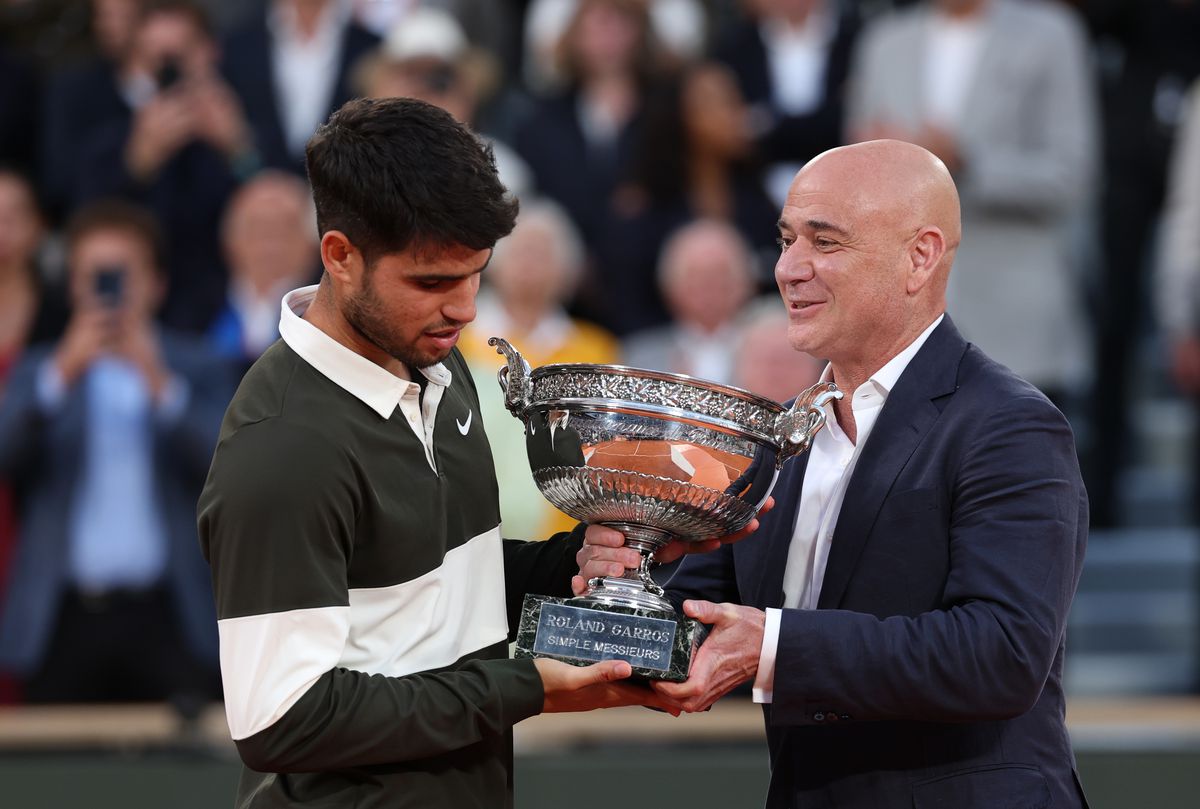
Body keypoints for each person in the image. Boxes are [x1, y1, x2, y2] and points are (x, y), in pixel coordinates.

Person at [196, 97, 694, 809]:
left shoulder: (436, 356)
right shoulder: (281, 448)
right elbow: (282, 717)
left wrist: (580, 560)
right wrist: (526, 684)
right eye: (432, 281)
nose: (463, 308)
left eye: (476, 274)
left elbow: (439, 584)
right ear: (340, 256)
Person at [579, 140, 1091, 807]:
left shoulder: (1011, 425)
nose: (790, 268)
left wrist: (775, 646)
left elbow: (1001, 653)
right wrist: (620, 592)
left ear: (921, 256)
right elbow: (704, 613)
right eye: (787, 238)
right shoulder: (776, 436)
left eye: (825, 242)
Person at [0, 199, 231, 703]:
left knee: (184, 774)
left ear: (156, 284)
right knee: (54, 776)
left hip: (170, 613)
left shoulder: (195, 363)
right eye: (95, 275)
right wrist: (59, 376)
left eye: (121, 274)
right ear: (74, 285)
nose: (109, 291)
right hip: (63, 615)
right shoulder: (41, 368)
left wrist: (159, 384)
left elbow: (232, 464)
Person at [847, 0, 1097, 408]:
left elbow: (1071, 175)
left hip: (1014, 319)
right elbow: (853, 170)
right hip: (901, 326)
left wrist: (965, 163)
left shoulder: (1050, 34)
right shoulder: (885, 42)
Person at [458, 197, 619, 539]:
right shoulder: (457, 338)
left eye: (544, 254)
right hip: (465, 519)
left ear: (568, 269)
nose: (530, 264)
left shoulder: (594, 349)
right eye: (521, 251)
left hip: (562, 532)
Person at [209, 170, 320, 376]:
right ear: (229, 241)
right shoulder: (197, 309)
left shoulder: (329, 314)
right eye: (257, 229)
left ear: (313, 244)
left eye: (285, 229)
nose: (270, 243)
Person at [622, 218, 757, 384]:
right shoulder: (640, 359)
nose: (707, 284)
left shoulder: (774, 355)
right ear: (670, 285)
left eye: (719, 273)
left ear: (744, 283)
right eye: (694, 275)